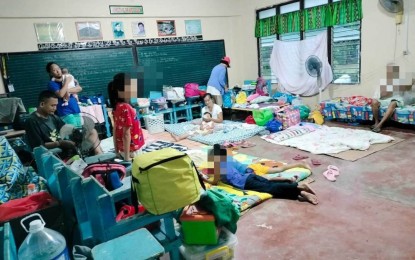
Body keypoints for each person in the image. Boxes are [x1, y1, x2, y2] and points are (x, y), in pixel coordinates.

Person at [203, 144, 319, 205]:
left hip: (245, 182)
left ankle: (299, 188)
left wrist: (206, 179)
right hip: (249, 176)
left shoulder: (218, 165)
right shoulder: (228, 159)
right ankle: (299, 194)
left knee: (270, 188)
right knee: (269, 184)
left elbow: (214, 181)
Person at [25, 90, 102, 157]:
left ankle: (99, 155)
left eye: (56, 105)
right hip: (53, 154)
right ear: (42, 104)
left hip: (65, 148)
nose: (55, 108)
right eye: (52, 105)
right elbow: (38, 147)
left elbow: (66, 129)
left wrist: (78, 132)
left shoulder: (53, 117)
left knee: (92, 131)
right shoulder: (32, 121)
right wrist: (59, 143)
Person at [108, 73, 145, 161]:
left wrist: (117, 151)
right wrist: (127, 159)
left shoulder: (117, 106)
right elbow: (126, 134)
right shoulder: (125, 107)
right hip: (132, 151)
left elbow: (115, 130)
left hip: (124, 150)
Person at [370, 64, 414, 133]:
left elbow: (408, 87)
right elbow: (382, 96)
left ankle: (380, 125)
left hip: (397, 99)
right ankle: (376, 122)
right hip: (386, 99)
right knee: (374, 102)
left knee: (393, 103)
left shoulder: (400, 80)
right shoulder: (385, 82)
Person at [46, 62, 82, 127]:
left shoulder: (67, 77)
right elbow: (61, 94)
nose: (58, 71)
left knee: (80, 130)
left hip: (75, 108)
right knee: (72, 133)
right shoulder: (52, 83)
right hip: (65, 112)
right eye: (54, 70)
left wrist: (67, 91)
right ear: (51, 73)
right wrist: (67, 81)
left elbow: (79, 88)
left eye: (58, 68)